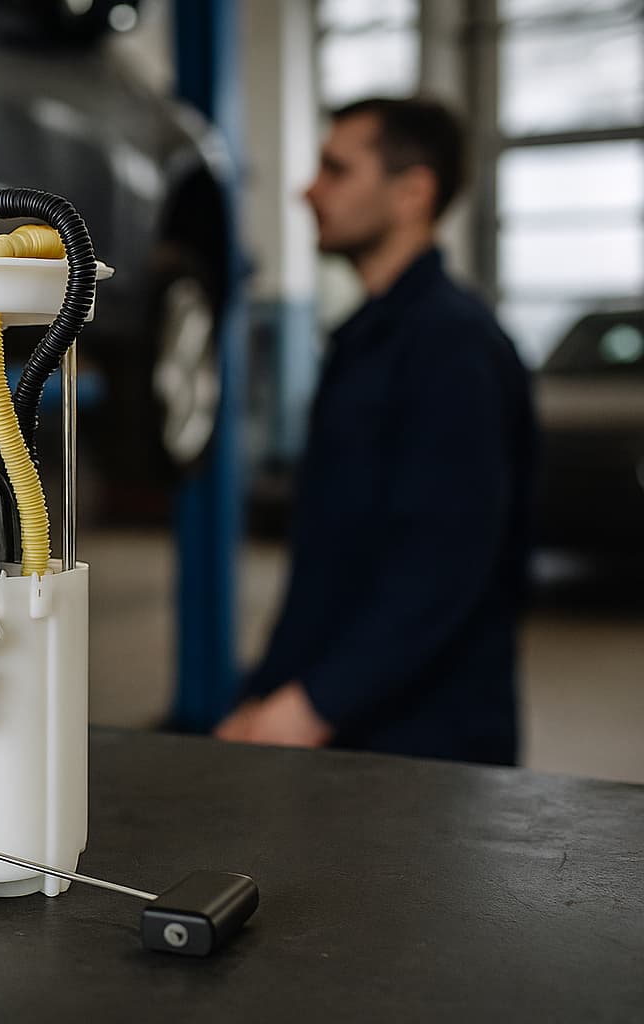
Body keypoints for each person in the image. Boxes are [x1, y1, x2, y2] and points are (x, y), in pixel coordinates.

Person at [215, 97, 537, 765]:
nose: (309, 190)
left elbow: (443, 564)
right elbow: (334, 562)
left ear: (413, 191)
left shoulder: (453, 347)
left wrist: (313, 704)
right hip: (356, 727)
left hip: (427, 748)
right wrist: (267, 689)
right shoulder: (373, 338)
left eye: (336, 170)